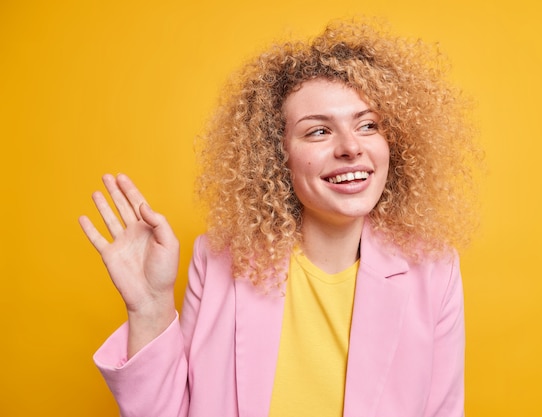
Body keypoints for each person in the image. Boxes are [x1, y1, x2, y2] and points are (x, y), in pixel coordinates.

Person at [79, 18, 479, 417]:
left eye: (368, 125)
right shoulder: (218, 260)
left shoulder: (434, 271)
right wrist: (149, 308)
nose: (350, 147)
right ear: (277, 155)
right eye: (318, 132)